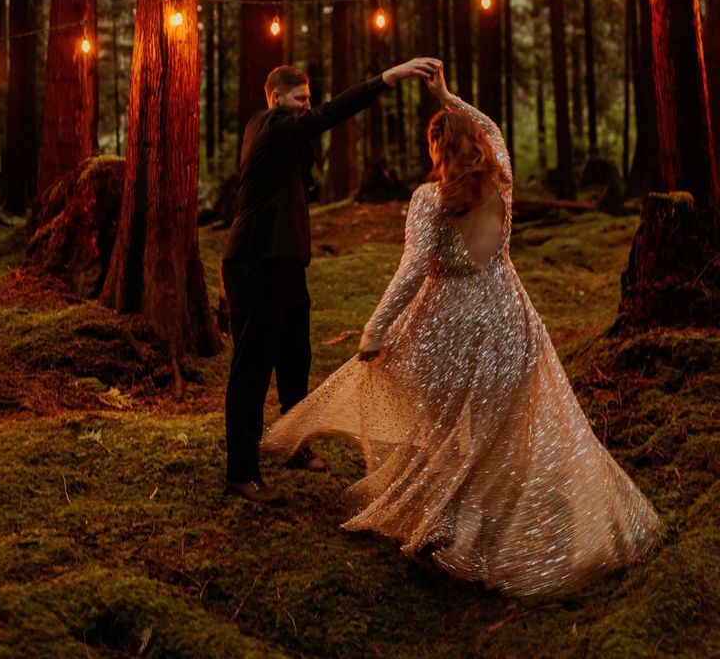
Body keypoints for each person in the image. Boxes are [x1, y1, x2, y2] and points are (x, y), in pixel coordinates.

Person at [262, 64, 663, 596]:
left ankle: (452, 525)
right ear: (475, 142)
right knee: (492, 432)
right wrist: (449, 96)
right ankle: (469, 524)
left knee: (445, 431)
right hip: (507, 321)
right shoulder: (502, 176)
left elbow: (411, 271)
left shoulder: (429, 200)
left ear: (436, 149)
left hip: (448, 329)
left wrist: (375, 327)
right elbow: (492, 126)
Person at [223, 57, 441, 503]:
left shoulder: (286, 134)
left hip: (285, 262)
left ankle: (292, 441)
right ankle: (240, 471)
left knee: (294, 356)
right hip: (254, 262)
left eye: (308, 98)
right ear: (276, 98)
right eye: (299, 100)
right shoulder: (269, 124)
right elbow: (328, 116)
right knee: (252, 366)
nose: (307, 107)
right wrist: (387, 76)